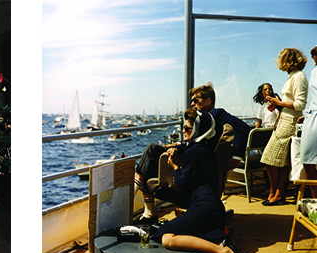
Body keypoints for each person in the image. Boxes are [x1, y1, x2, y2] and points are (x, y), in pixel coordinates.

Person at [151, 107, 256, 253]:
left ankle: (223, 251)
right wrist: (179, 150)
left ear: (198, 129)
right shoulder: (206, 149)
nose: (183, 131)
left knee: (167, 238)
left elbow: (183, 185)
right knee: (177, 229)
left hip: (204, 207)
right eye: (183, 128)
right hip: (213, 208)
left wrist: (176, 168)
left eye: (187, 128)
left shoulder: (193, 152)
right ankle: (221, 243)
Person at [133, 83, 250, 222]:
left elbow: (242, 127)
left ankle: (135, 201)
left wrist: (237, 156)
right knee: (150, 160)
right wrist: (177, 146)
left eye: (196, 100)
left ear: (208, 101)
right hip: (191, 155)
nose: (192, 103)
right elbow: (195, 141)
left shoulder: (217, 114)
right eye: (191, 100)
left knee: (152, 150)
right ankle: (148, 211)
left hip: (196, 163)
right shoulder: (199, 118)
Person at [261, 48, 308, 206]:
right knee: (280, 161)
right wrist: (277, 106)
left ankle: (277, 192)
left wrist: (278, 103)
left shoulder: (299, 77)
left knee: (270, 157)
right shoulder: (292, 76)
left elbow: (300, 104)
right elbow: (292, 103)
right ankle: (277, 192)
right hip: (284, 119)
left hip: (290, 121)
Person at [299, 46, 317, 197]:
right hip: (313, 116)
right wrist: (307, 114)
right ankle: (316, 198)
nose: (314, 59)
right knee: (307, 157)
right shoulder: (313, 72)